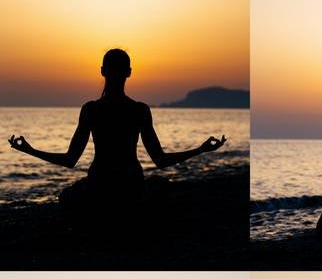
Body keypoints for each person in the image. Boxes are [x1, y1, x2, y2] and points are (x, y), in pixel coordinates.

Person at [8, 48, 225, 207]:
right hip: (131, 186)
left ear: (102, 71)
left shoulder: (91, 110)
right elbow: (160, 160)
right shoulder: (139, 110)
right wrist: (200, 149)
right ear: (129, 72)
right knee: (162, 186)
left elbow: (70, 160)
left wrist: (30, 150)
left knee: (66, 197)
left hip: (99, 187)